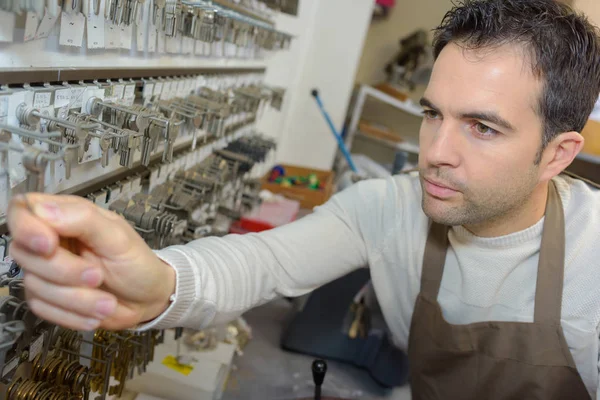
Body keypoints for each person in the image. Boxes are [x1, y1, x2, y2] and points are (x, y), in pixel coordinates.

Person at [7, 0, 600, 398]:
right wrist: (161, 284)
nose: (436, 152)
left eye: (483, 127)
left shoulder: (591, 261)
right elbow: (264, 263)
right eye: (431, 114)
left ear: (557, 154)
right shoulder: (390, 208)